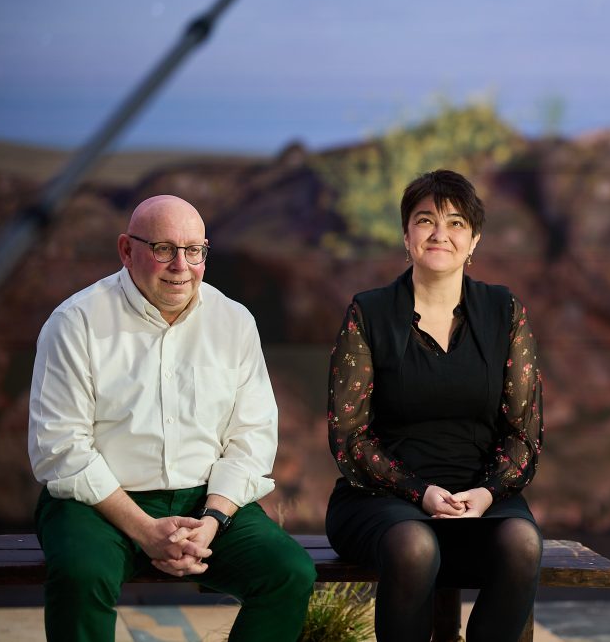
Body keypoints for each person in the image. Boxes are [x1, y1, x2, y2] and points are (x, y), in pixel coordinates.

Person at [28, 195, 316, 642]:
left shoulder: (234, 321)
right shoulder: (75, 322)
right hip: (97, 505)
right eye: (163, 248)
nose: (181, 264)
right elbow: (60, 448)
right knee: (81, 576)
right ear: (127, 250)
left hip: (204, 506)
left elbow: (252, 437)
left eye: (194, 250)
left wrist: (213, 520)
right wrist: (144, 529)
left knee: (289, 572)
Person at [325, 169, 544, 642]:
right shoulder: (368, 312)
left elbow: (523, 435)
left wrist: (486, 494)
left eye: (457, 223)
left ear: (474, 240)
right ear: (406, 236)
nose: (440, 234)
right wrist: (420, 492)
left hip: (480, 498)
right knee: (414, 544)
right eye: (425, 221)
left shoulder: (505, 311)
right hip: (382, 499)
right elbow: (348, 439)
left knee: (522, 542)